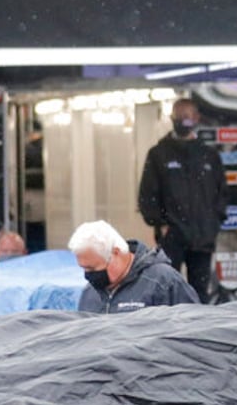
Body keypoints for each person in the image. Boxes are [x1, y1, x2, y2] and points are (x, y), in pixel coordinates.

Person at [138, 95, 227, 302]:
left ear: (197, 118)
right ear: (172, 117)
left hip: (203, 236)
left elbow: (222, 193)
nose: (184, 120)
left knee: (200, 292)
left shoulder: (209, 155)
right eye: (180, 115)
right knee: (169, 289)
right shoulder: (159, 154)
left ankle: (200, 329)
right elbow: (147, 194)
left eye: (188, 116)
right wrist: (159, 223)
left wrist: (214, 223)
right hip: (172, 236)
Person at [68, 219, 198, 314]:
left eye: (92, 268)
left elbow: (194, 330)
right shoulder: (89, 293)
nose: (88, 276)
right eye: (83, 268)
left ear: (116, 253)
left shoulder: (163, 282)